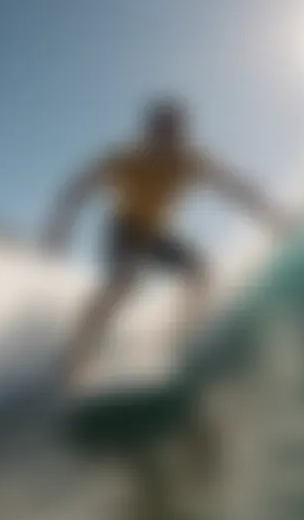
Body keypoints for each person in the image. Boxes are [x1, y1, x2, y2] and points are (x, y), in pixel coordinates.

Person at [43, 97, 289, 390]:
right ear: (148, 134)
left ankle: (177, 341)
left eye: (173, 133)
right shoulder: (126, 160)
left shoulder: (190, 161)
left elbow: (235, 187)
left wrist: (272, 215)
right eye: (160, 133)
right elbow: (79, 187)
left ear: (182, 133)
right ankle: (74, 358)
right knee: (124, 282)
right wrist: (60, 229)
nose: (167, 142)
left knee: (201, 275)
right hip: (125, 229)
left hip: (157, 233)